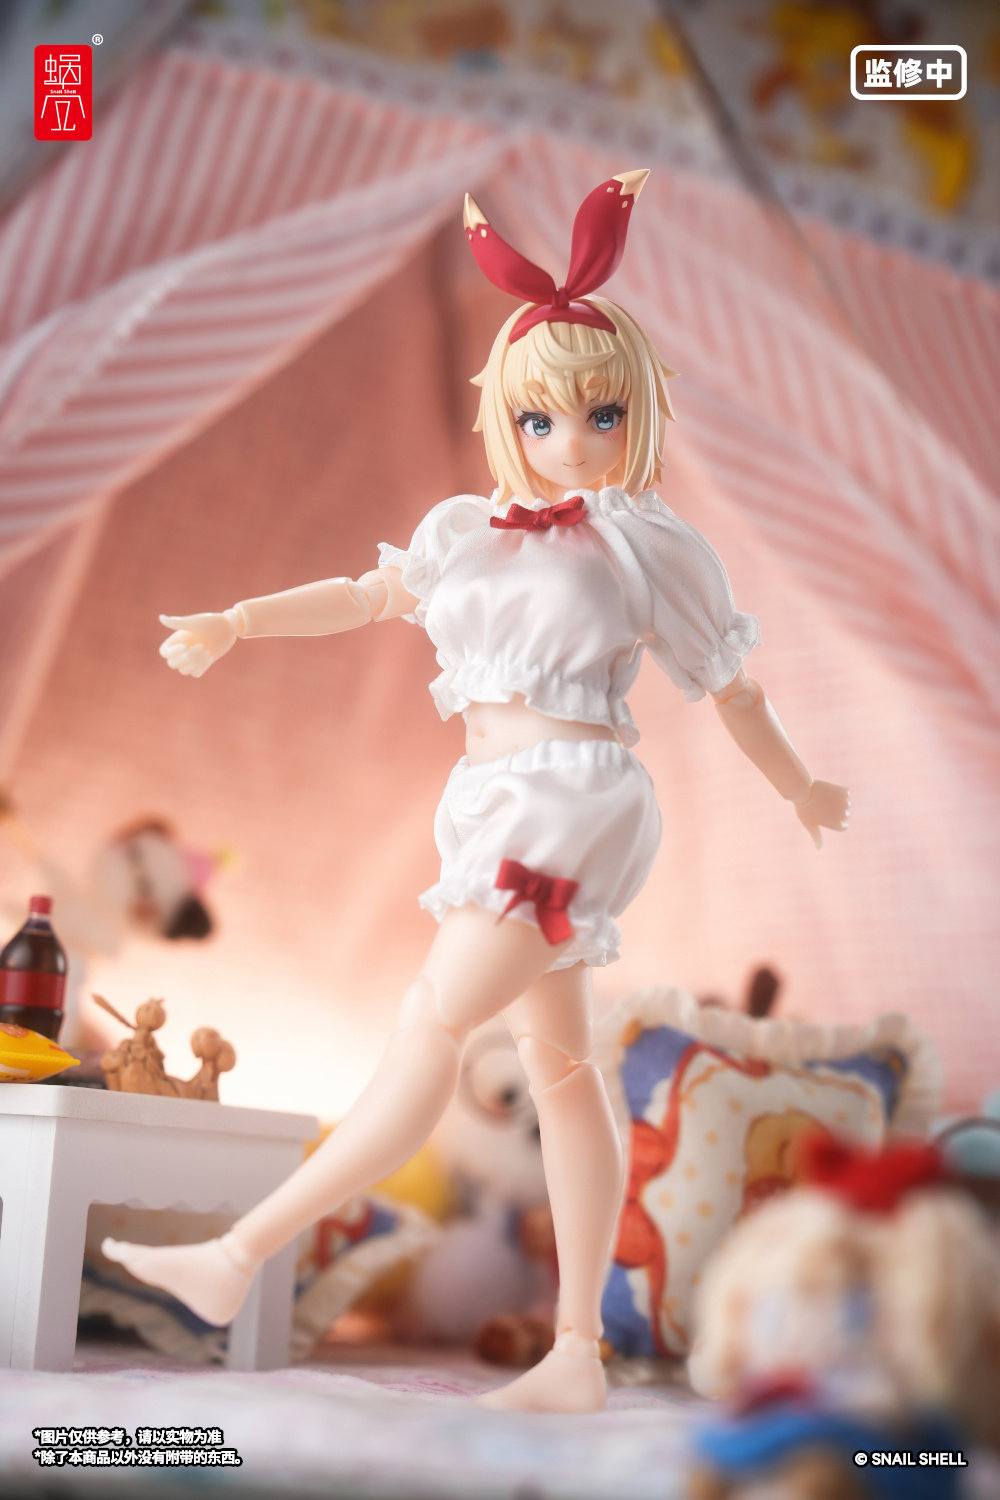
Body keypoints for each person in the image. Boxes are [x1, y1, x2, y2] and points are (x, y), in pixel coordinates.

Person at [103, 169, 850, 1413]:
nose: (572, 443)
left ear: (638, 414)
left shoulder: (646, 543)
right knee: (560, 1070)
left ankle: (238, 1253)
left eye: (601, 415)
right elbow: (363, 596)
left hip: (574, 800)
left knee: (432, 1030)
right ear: (507, 418)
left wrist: (801, 786)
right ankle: (576, 1355)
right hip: (494, 796)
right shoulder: (466, 531)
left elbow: (732, 688)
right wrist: (238, 621)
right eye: (541, 419)